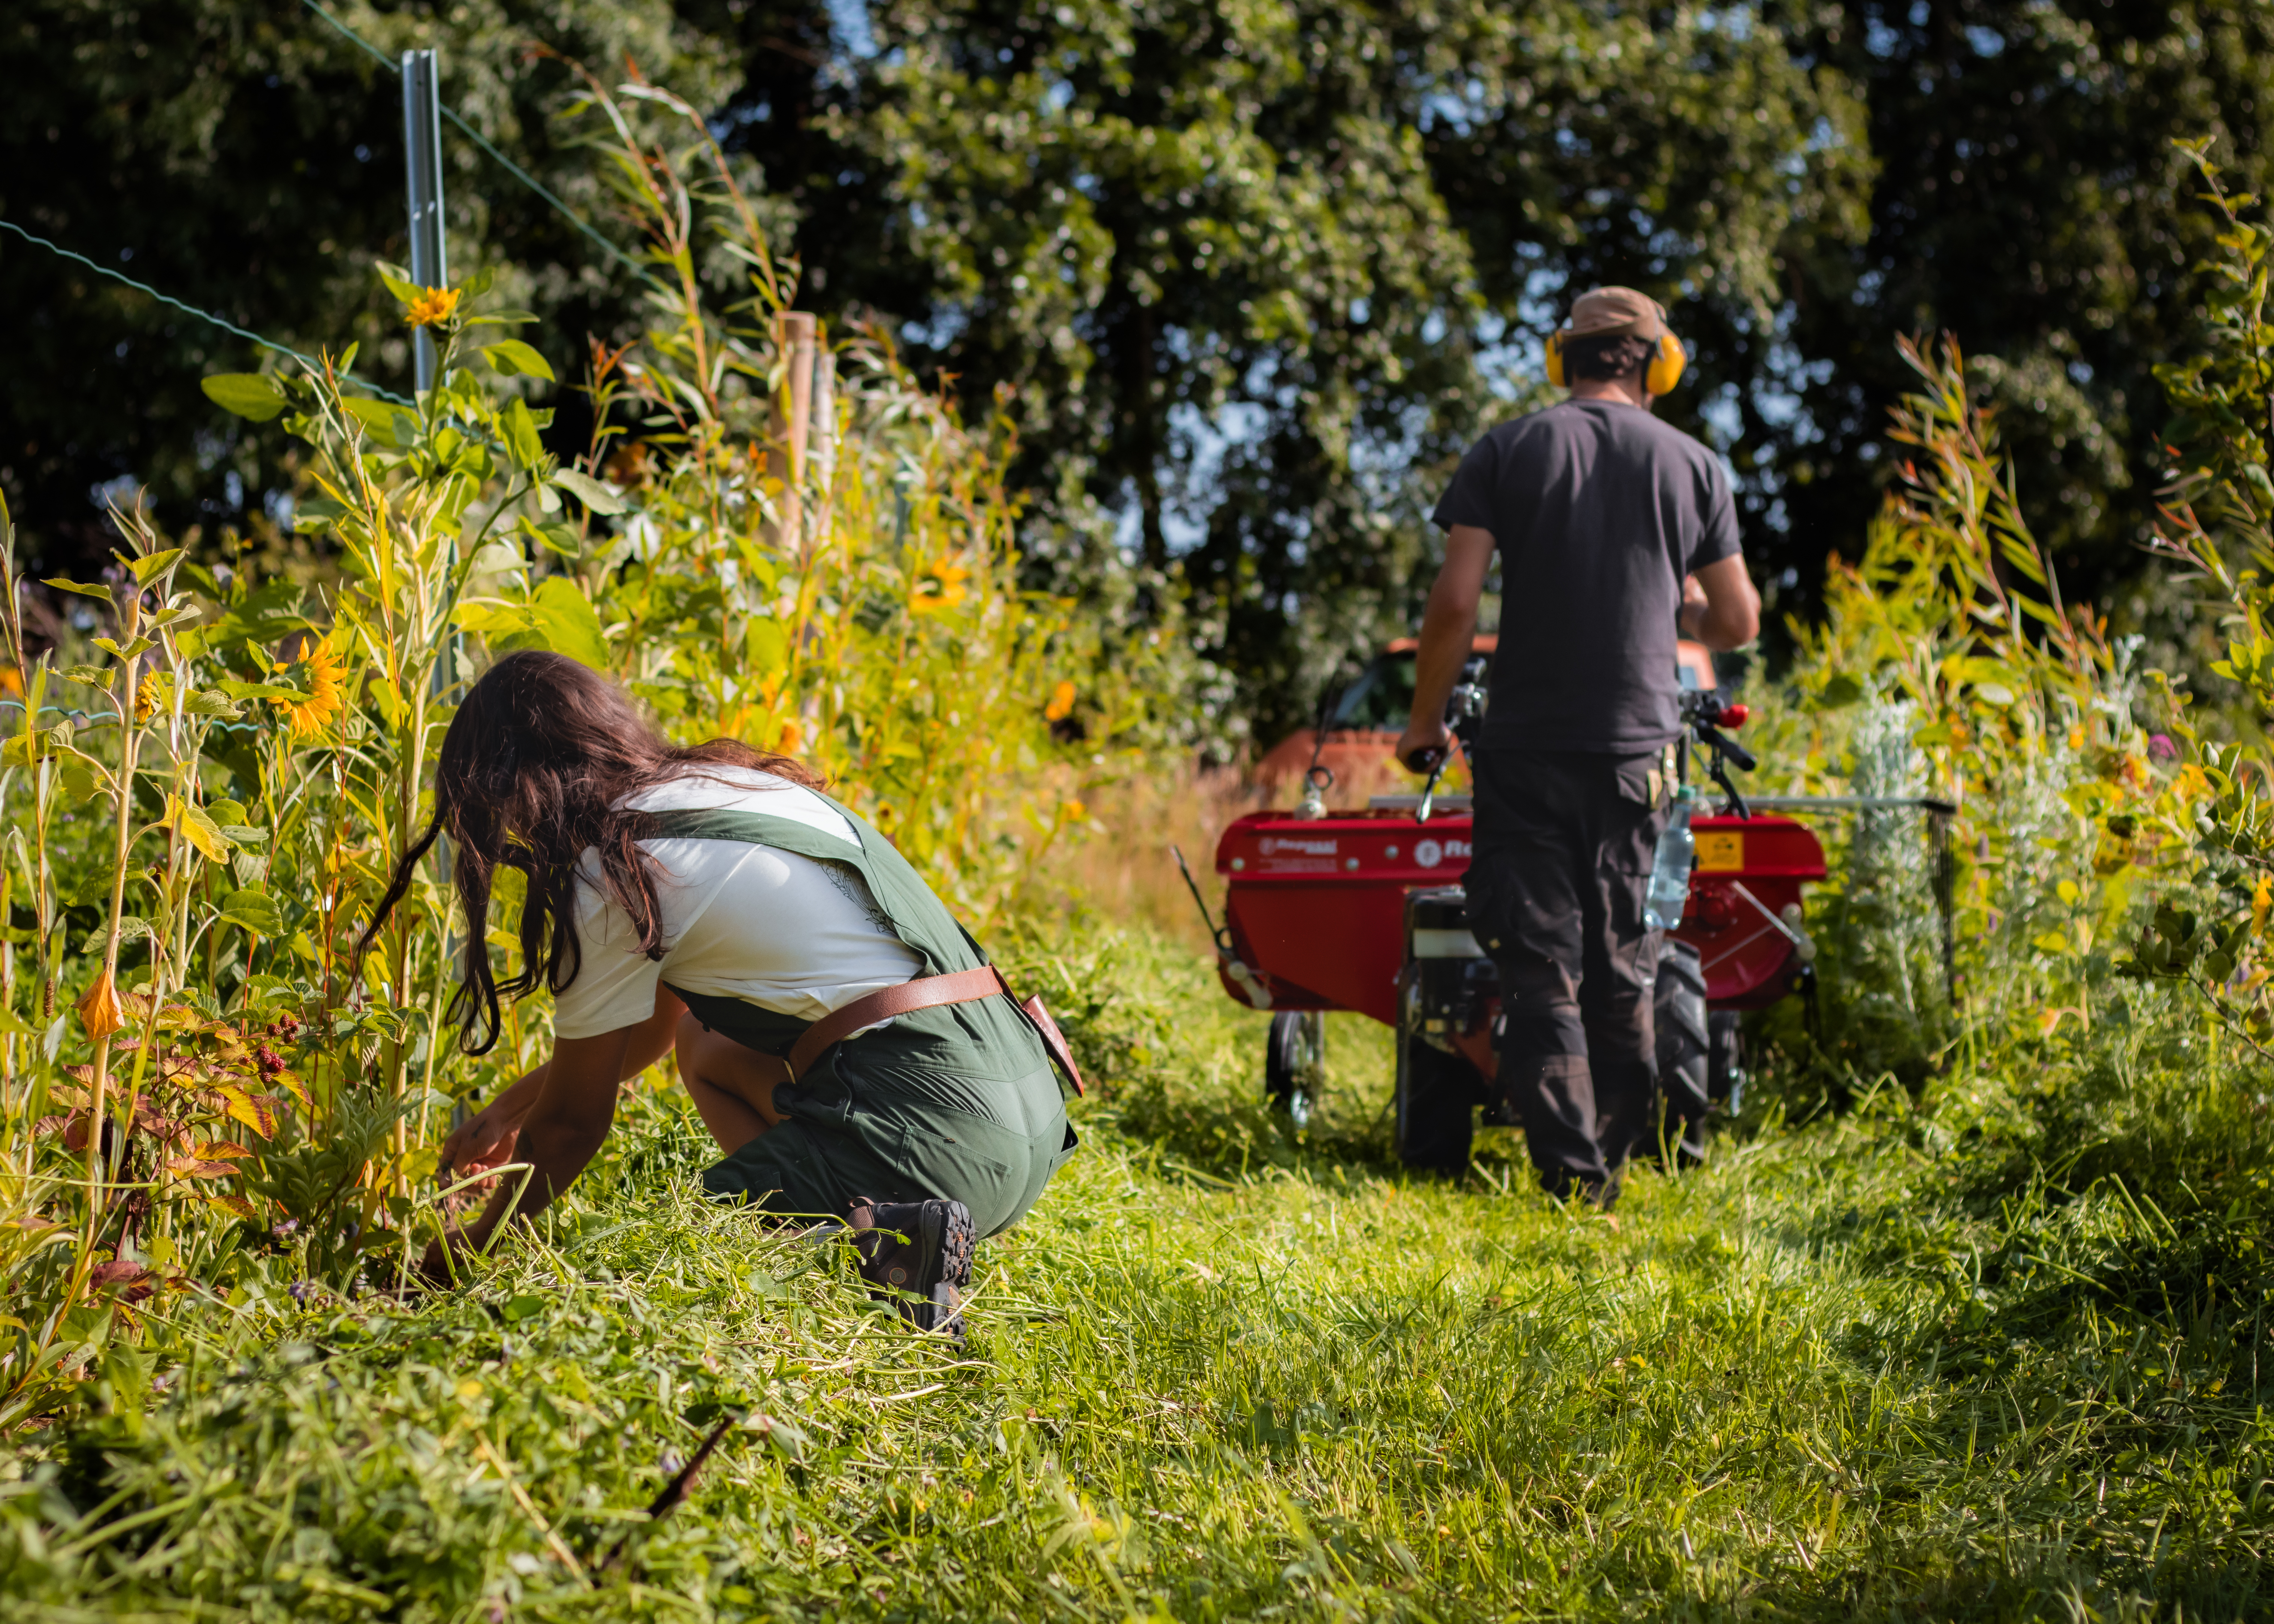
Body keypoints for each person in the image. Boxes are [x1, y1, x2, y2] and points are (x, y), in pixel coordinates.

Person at [361, 650, 1081, 1334]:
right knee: (701, 1045)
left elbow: (574, 1130)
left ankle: (875, 1241)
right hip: (1022, 1123)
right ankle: (889, 1230)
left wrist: (454, 1262)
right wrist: (508, 1111)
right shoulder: (730, 788)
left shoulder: (611, 871)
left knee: (686, 1246)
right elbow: (651, 1028)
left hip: (944, 1148)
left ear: (515, 786)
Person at [1394, 287, 1761, 1206]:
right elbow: (1738, 619)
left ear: (1567, 357)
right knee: (1624, 954)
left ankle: (1573, 1181)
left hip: (1523, 745)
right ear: (1653, 362)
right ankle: (1616, 1152)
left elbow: (1453, 601)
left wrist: (1423, 722)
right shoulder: (1692, 464)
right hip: (1639, 752)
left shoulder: (1508, 449)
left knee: (1537, 960)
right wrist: (1666, 599)